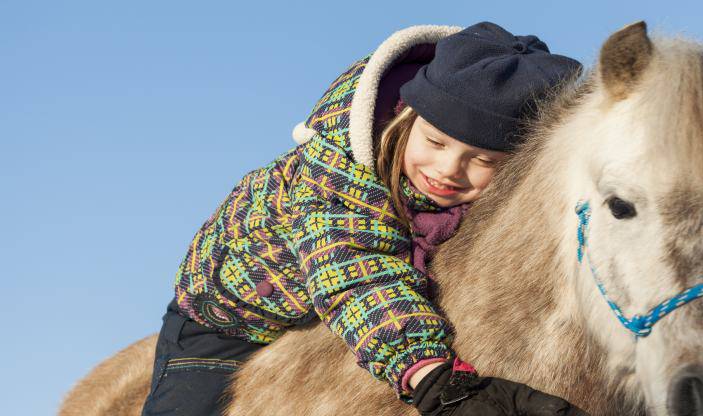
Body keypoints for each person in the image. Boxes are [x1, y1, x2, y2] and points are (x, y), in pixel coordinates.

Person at [142, 22, 585, 416]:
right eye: (435, 141)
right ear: (406, 118)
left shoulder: (482, 195)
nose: (449, 169)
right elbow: (353, 271)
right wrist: (433, 379)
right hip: (234, 321)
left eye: (483, 159)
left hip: (337, 316)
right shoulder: (336, 170)